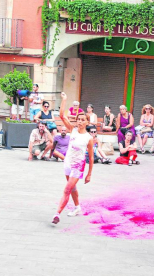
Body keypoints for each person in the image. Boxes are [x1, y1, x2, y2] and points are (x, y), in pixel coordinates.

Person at [52, 92, 94, 224]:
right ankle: (77, 207)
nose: (80, 122)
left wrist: (89, 174)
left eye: (82, 120)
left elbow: (91, 158)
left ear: (87, 122)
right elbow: (61, 116)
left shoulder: (89, 138)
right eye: (78, 119)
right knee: (72, 188)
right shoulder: (73, 130)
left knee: (67, 189)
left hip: (78, 166)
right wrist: (64, 99)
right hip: (68, 163)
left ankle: (57, 214)